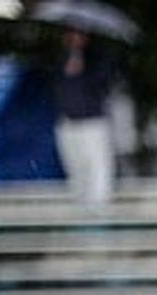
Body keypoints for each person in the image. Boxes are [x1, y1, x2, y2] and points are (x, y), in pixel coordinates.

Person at [52, 27, 117, 207]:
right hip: (68, 121)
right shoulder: (60, 59)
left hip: (93, 121)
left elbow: (102, 83)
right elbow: (57, 86)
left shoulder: (99, 58)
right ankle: (81, 203)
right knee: (75, 167)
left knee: (98, 167)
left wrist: (81, 68)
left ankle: (99, 206)